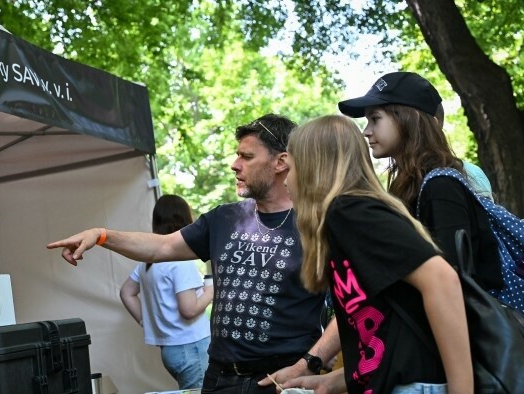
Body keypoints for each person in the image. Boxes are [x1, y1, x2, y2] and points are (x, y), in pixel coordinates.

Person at [47, 114, 331, 393]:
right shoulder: (224, 219)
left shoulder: (318, 225)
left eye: (246, 157)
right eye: (237, 156)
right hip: (220, 377)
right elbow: (161, 246)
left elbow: (351, 308)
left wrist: (309, 362)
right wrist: (101, 235)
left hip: (283, 379)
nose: (235, 165)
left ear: (280, 162)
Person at [281, 115, 472, 393]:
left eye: (290, 168)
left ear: (312, 168)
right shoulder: (343, 220)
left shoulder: (350, 211)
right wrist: (333, 380)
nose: (286, 182)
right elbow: (389, 334)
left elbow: (442, 279)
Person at [338, 71, 503, 293]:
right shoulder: (411, 184)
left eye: (375, 119)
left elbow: (450, 284)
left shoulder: (441, 186)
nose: (366, 131)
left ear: (410, 119)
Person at [119, 194, 213, 389]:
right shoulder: (180, 261)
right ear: (185, 220)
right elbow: (189, 310)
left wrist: (147, 322)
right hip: (191, 348)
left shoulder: (148, 261)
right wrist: (213, 291)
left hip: (169, 351)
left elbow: (126, 292)